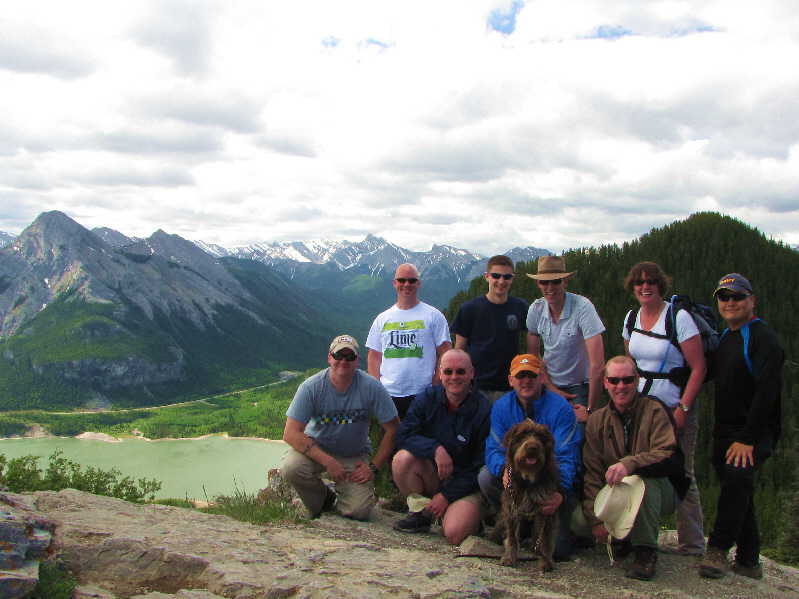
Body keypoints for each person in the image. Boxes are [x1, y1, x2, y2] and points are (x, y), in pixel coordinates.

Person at [574, 356, 689, 581]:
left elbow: (670, 457)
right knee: (579, 522)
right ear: (605, 383)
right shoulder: (597, 420)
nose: (621, 386)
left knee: (643, 481)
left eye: (627, 380)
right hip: (621, 494)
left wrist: (631, 464)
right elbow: (592, 473)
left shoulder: (655, 409)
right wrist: (595, 519)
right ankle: (623, 538)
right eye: (614, 380)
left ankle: (645, 551)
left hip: (661, 491)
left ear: (637, 380)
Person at [700, 274, 784, 580]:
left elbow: (767, 391)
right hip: (725, 430)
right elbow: (712, 373)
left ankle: (718, 547)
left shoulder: (762, 338)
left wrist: (749, 438)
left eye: (737, 296)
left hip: (753, 432)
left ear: (752, 300)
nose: (730, 302)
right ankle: (749, 560)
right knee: (738, 487)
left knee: (737, 477)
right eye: (724, 297)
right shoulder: (727, 335)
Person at [621, 261, 706, 556]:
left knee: (682, 473)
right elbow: (629, 363)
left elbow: (698, 368)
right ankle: (636, 535)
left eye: (651, 282)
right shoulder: (631, 317)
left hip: (674, 406)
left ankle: (693, 544)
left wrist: (683, 408)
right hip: (641, 408)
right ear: (632, 287)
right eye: (639, 282)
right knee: (639, 466)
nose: (645, 287)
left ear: (661, 285)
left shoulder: (678, 318)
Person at [281, 335, 400, 521]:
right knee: (290, 468)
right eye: (338, 355)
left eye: (350, 357)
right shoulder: (311, 387)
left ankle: (345, 498)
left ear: (357, 361)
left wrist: (373, 468)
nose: (343, 361)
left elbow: (393, 428)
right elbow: (290, 433)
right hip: (317, 450)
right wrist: (328, 462)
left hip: (354, 454)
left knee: (358, 511)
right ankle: (323, 500)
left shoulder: (372, 387)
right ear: (329, 357)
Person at [478, 354, 581, 560]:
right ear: (511, 380)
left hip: (549, 482)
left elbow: (567, 457)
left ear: (541, 377)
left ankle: (563, 529)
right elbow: (493, 449)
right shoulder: (500, 407)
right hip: (518, 482)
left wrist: (560, 492)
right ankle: (517, 523)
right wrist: (503, 469)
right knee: (486, 477)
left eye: (531, 375)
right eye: (520, 375)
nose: (526, 380)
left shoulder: (561, 408)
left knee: (558, 550)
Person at [391, 349, 492, 545]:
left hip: (467, 484)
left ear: (472, 373)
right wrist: (434, 449)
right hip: (436, 474)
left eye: (461, 371)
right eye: (448, 372)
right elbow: (403, 435)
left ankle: (466, 517)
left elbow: (480, 468)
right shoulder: (427, 398)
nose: (454, 377)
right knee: (402, 460)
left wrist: (447, 495)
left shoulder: (485, 410)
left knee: (455, 534)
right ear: (440, 373)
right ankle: (421, 514)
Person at [526, 255, 605, 426]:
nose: (550, 287)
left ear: (565, 282)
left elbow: (598, 364)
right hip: (547, 385)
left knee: (577, 438)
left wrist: (590, 410)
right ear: (538, 283)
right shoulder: (536, 309)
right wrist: (552, 388)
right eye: (544, 282)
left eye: (556, 281)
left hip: (579, 388)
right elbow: (533, 354)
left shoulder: (583, 308)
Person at [367, 263, 452, 419]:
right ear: (394, 283)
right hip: (389, 395)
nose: (407, 284)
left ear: (418, 284)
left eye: (412, 281)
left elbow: (446, 354)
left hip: (423, 393)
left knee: (422, 441)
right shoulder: (382, 319)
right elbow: (374, 355)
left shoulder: (434, 316)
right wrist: (377, 388)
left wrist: (435, 385)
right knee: (390, 440)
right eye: (402, 280)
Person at [451, 255, 529, 402]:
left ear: (512, 278)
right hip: (477, 387)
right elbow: (459, 351)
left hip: (511, 386)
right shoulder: (469, 309)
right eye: (496, 276)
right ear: (487, 276)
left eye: (506, 277)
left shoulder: (521, 307)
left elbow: (531, 347)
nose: (501, 281)